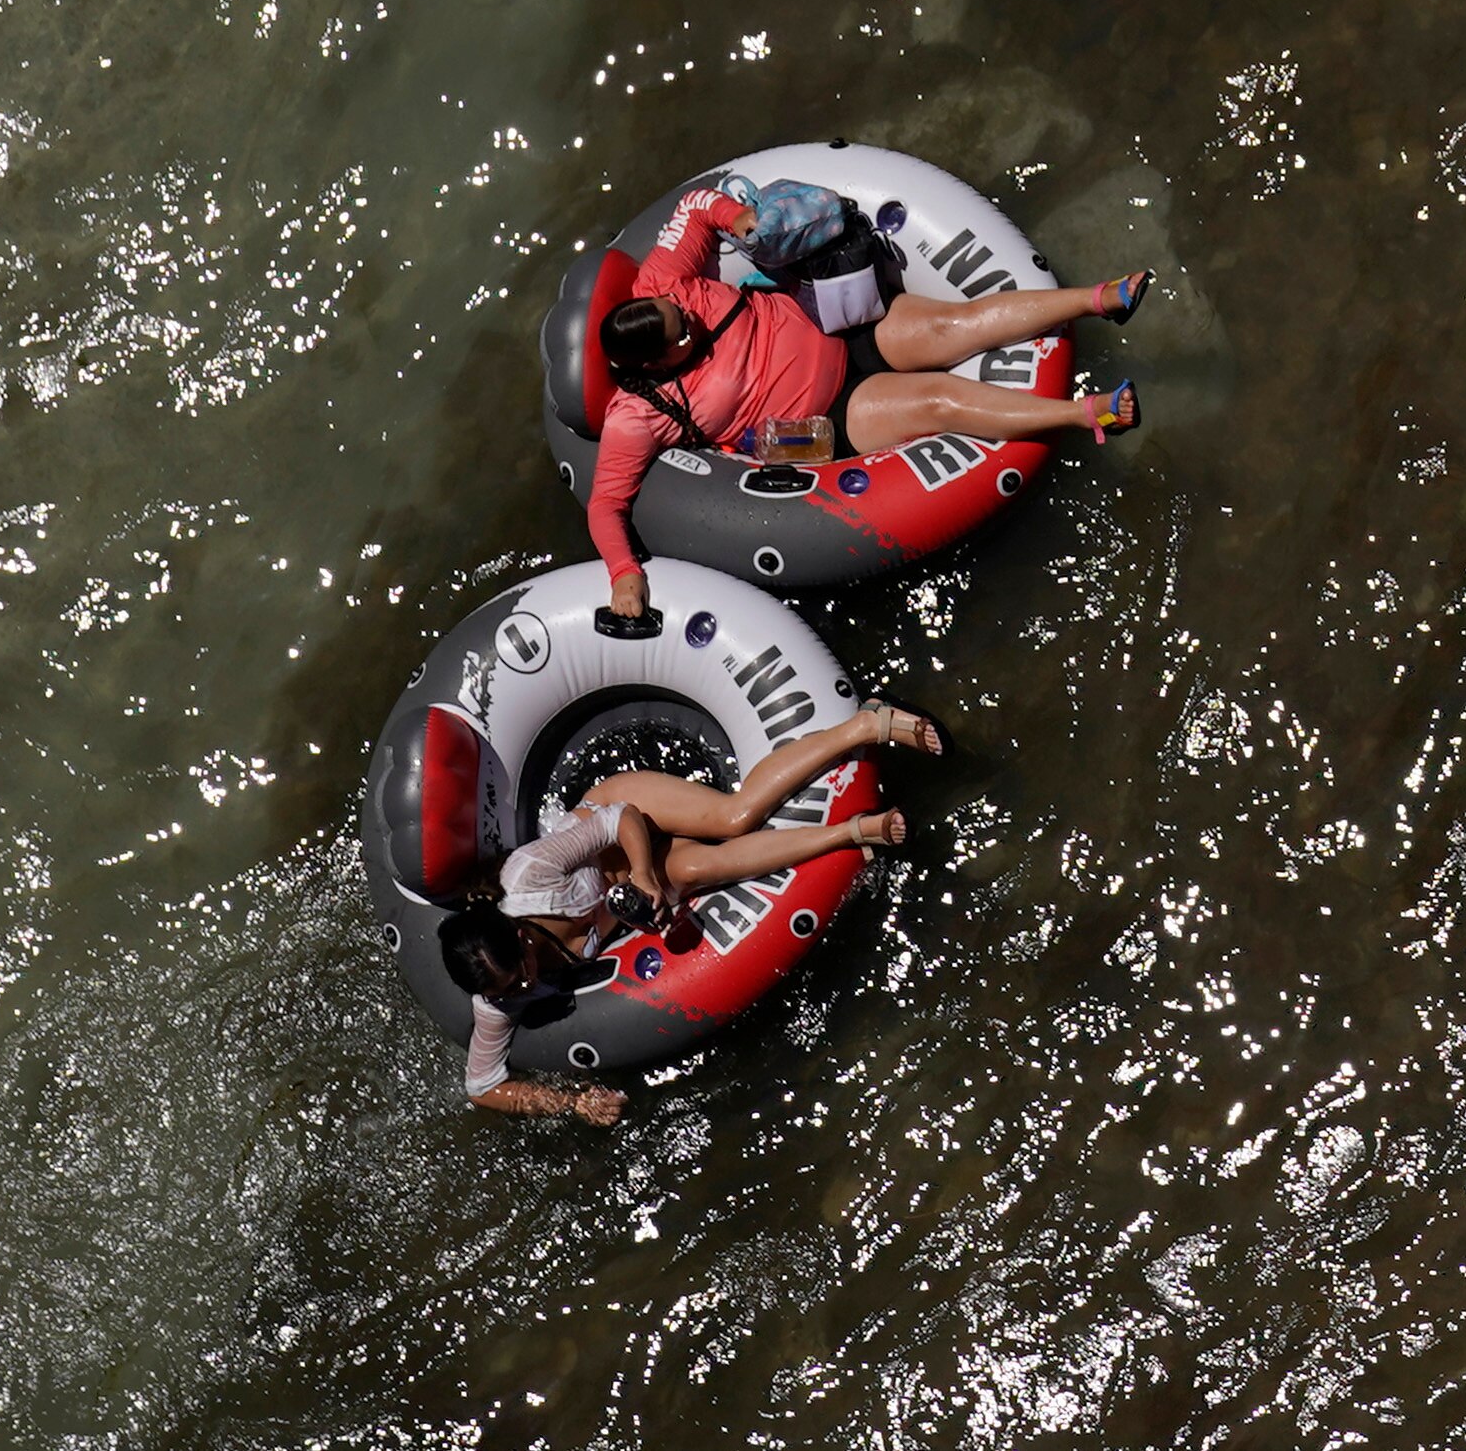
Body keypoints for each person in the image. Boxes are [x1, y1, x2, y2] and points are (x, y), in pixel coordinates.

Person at [586, 181, 1152, 621]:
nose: (690, 321)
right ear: (655, 363)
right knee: (939, 401)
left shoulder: (665, 282)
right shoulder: (639, 415)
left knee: (956, 324)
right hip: (827, 416)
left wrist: (739, 218)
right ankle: (1087, 414)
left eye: (681, 312)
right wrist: (622, 574)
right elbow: (605, 504)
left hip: (835, 326)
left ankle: (1100, 298)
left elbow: (696, 205)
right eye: (681, 334)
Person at [437, 700, 938, 1119]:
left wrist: (642, 876)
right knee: (704, 868)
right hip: (643, 880)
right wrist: (570, 1104)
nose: (521, 988)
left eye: (516, 976)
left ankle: (868, 723)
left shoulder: (528, 875)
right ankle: (852, 832)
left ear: (519, 937)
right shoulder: (501, 1000)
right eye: (506, 991)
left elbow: (620, 819)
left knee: (734, 818)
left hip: (627, 824)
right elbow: (481, 1085)